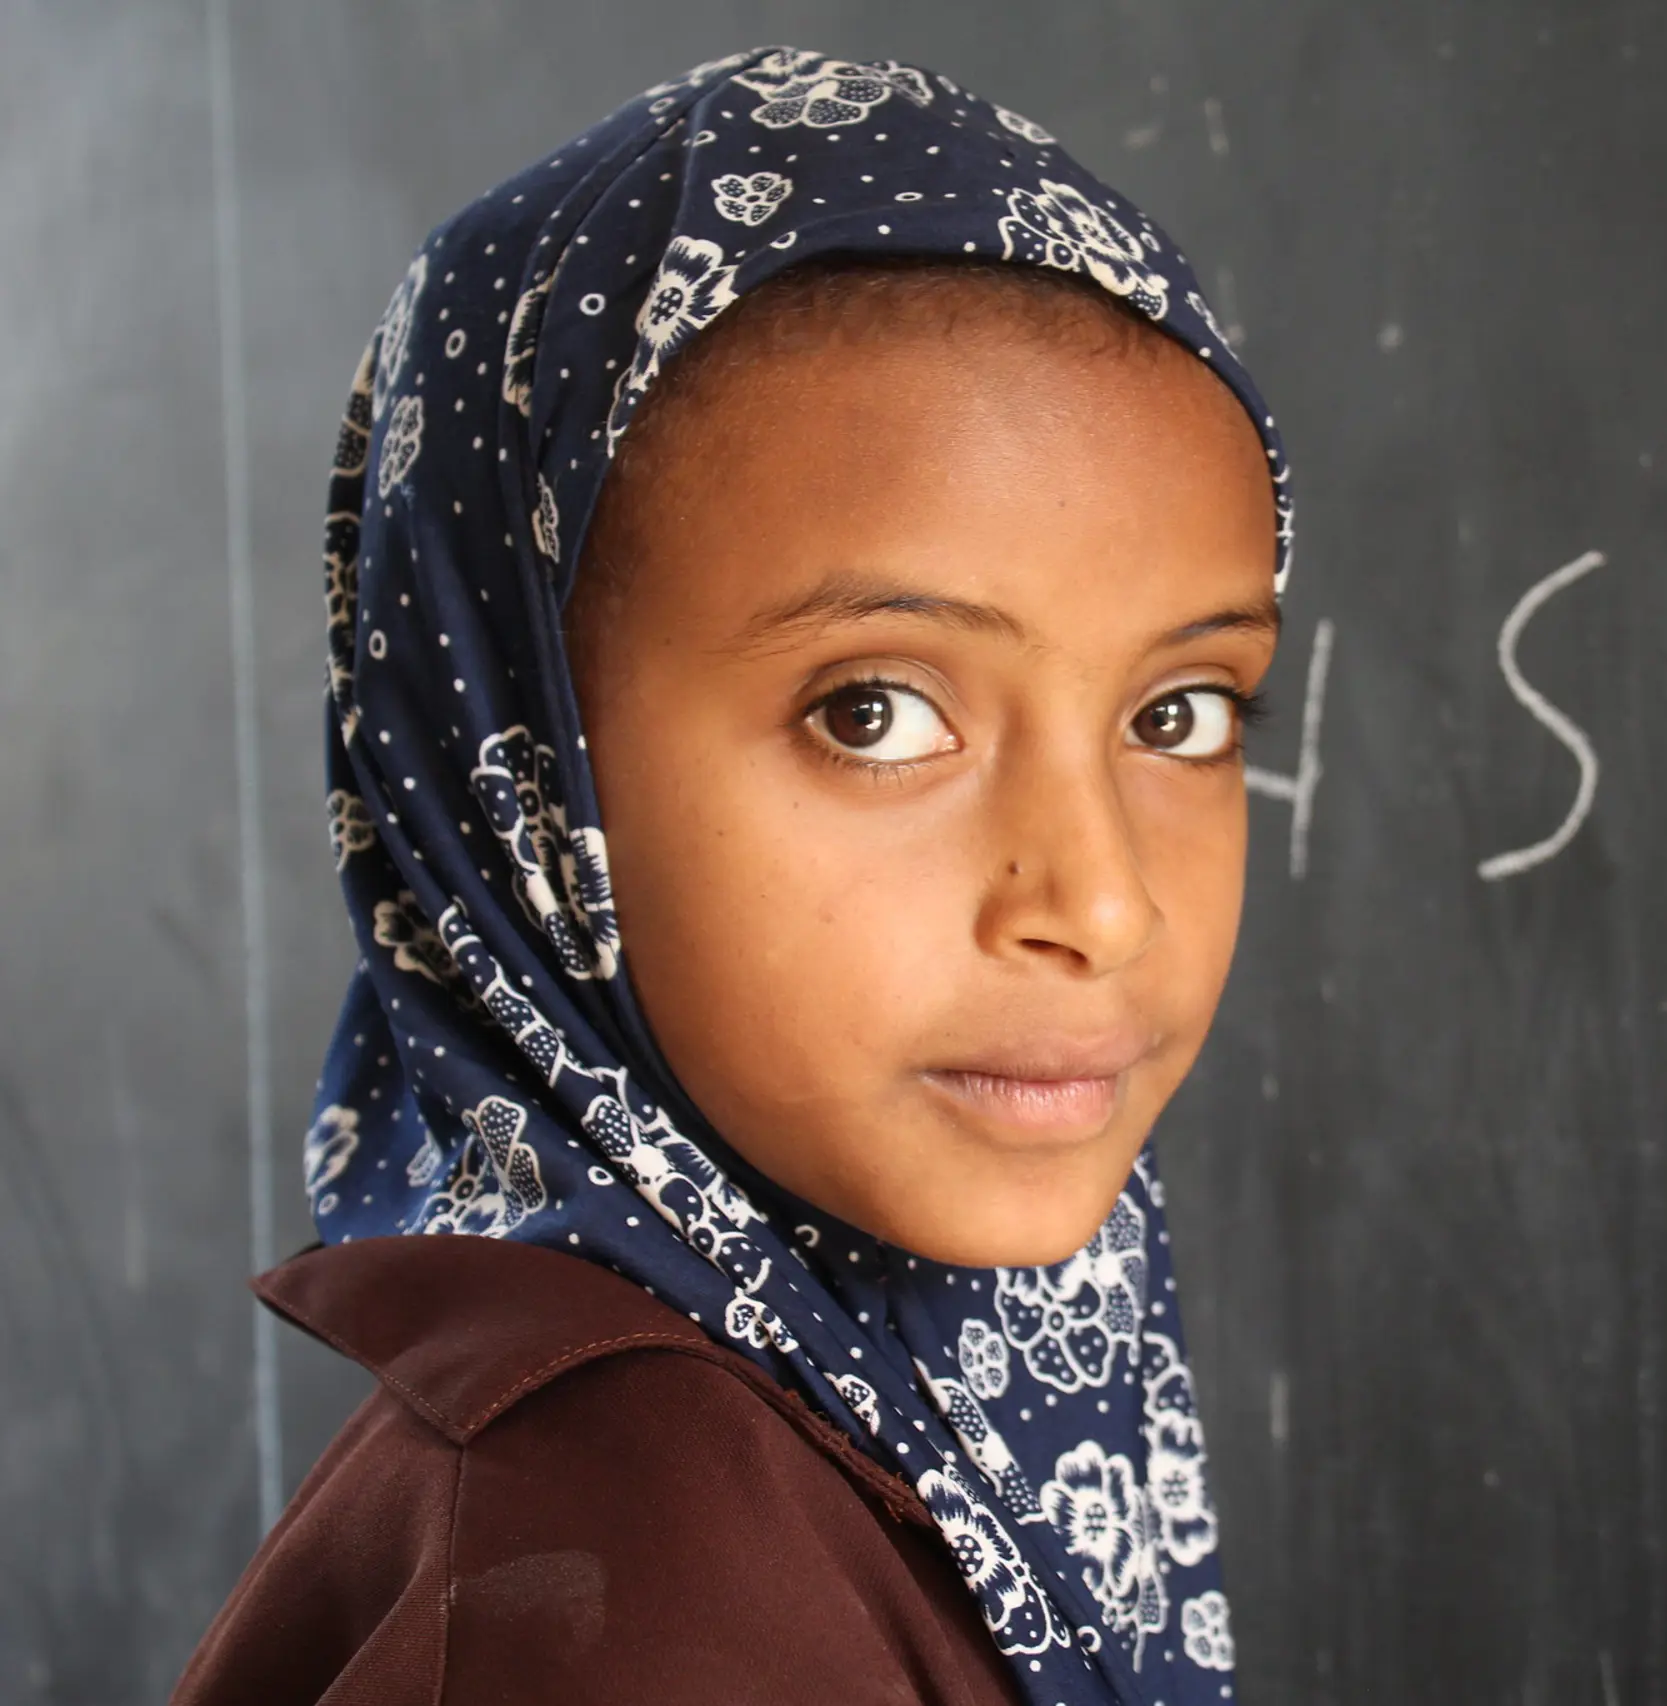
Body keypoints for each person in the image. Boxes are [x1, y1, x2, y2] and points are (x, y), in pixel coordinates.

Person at [174, 47, 1289, 1706]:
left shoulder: (844, 1416)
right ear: (530, 779)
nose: (1102, 900)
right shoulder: (623, 1597)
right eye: (875, 710)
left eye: (1176, 711)